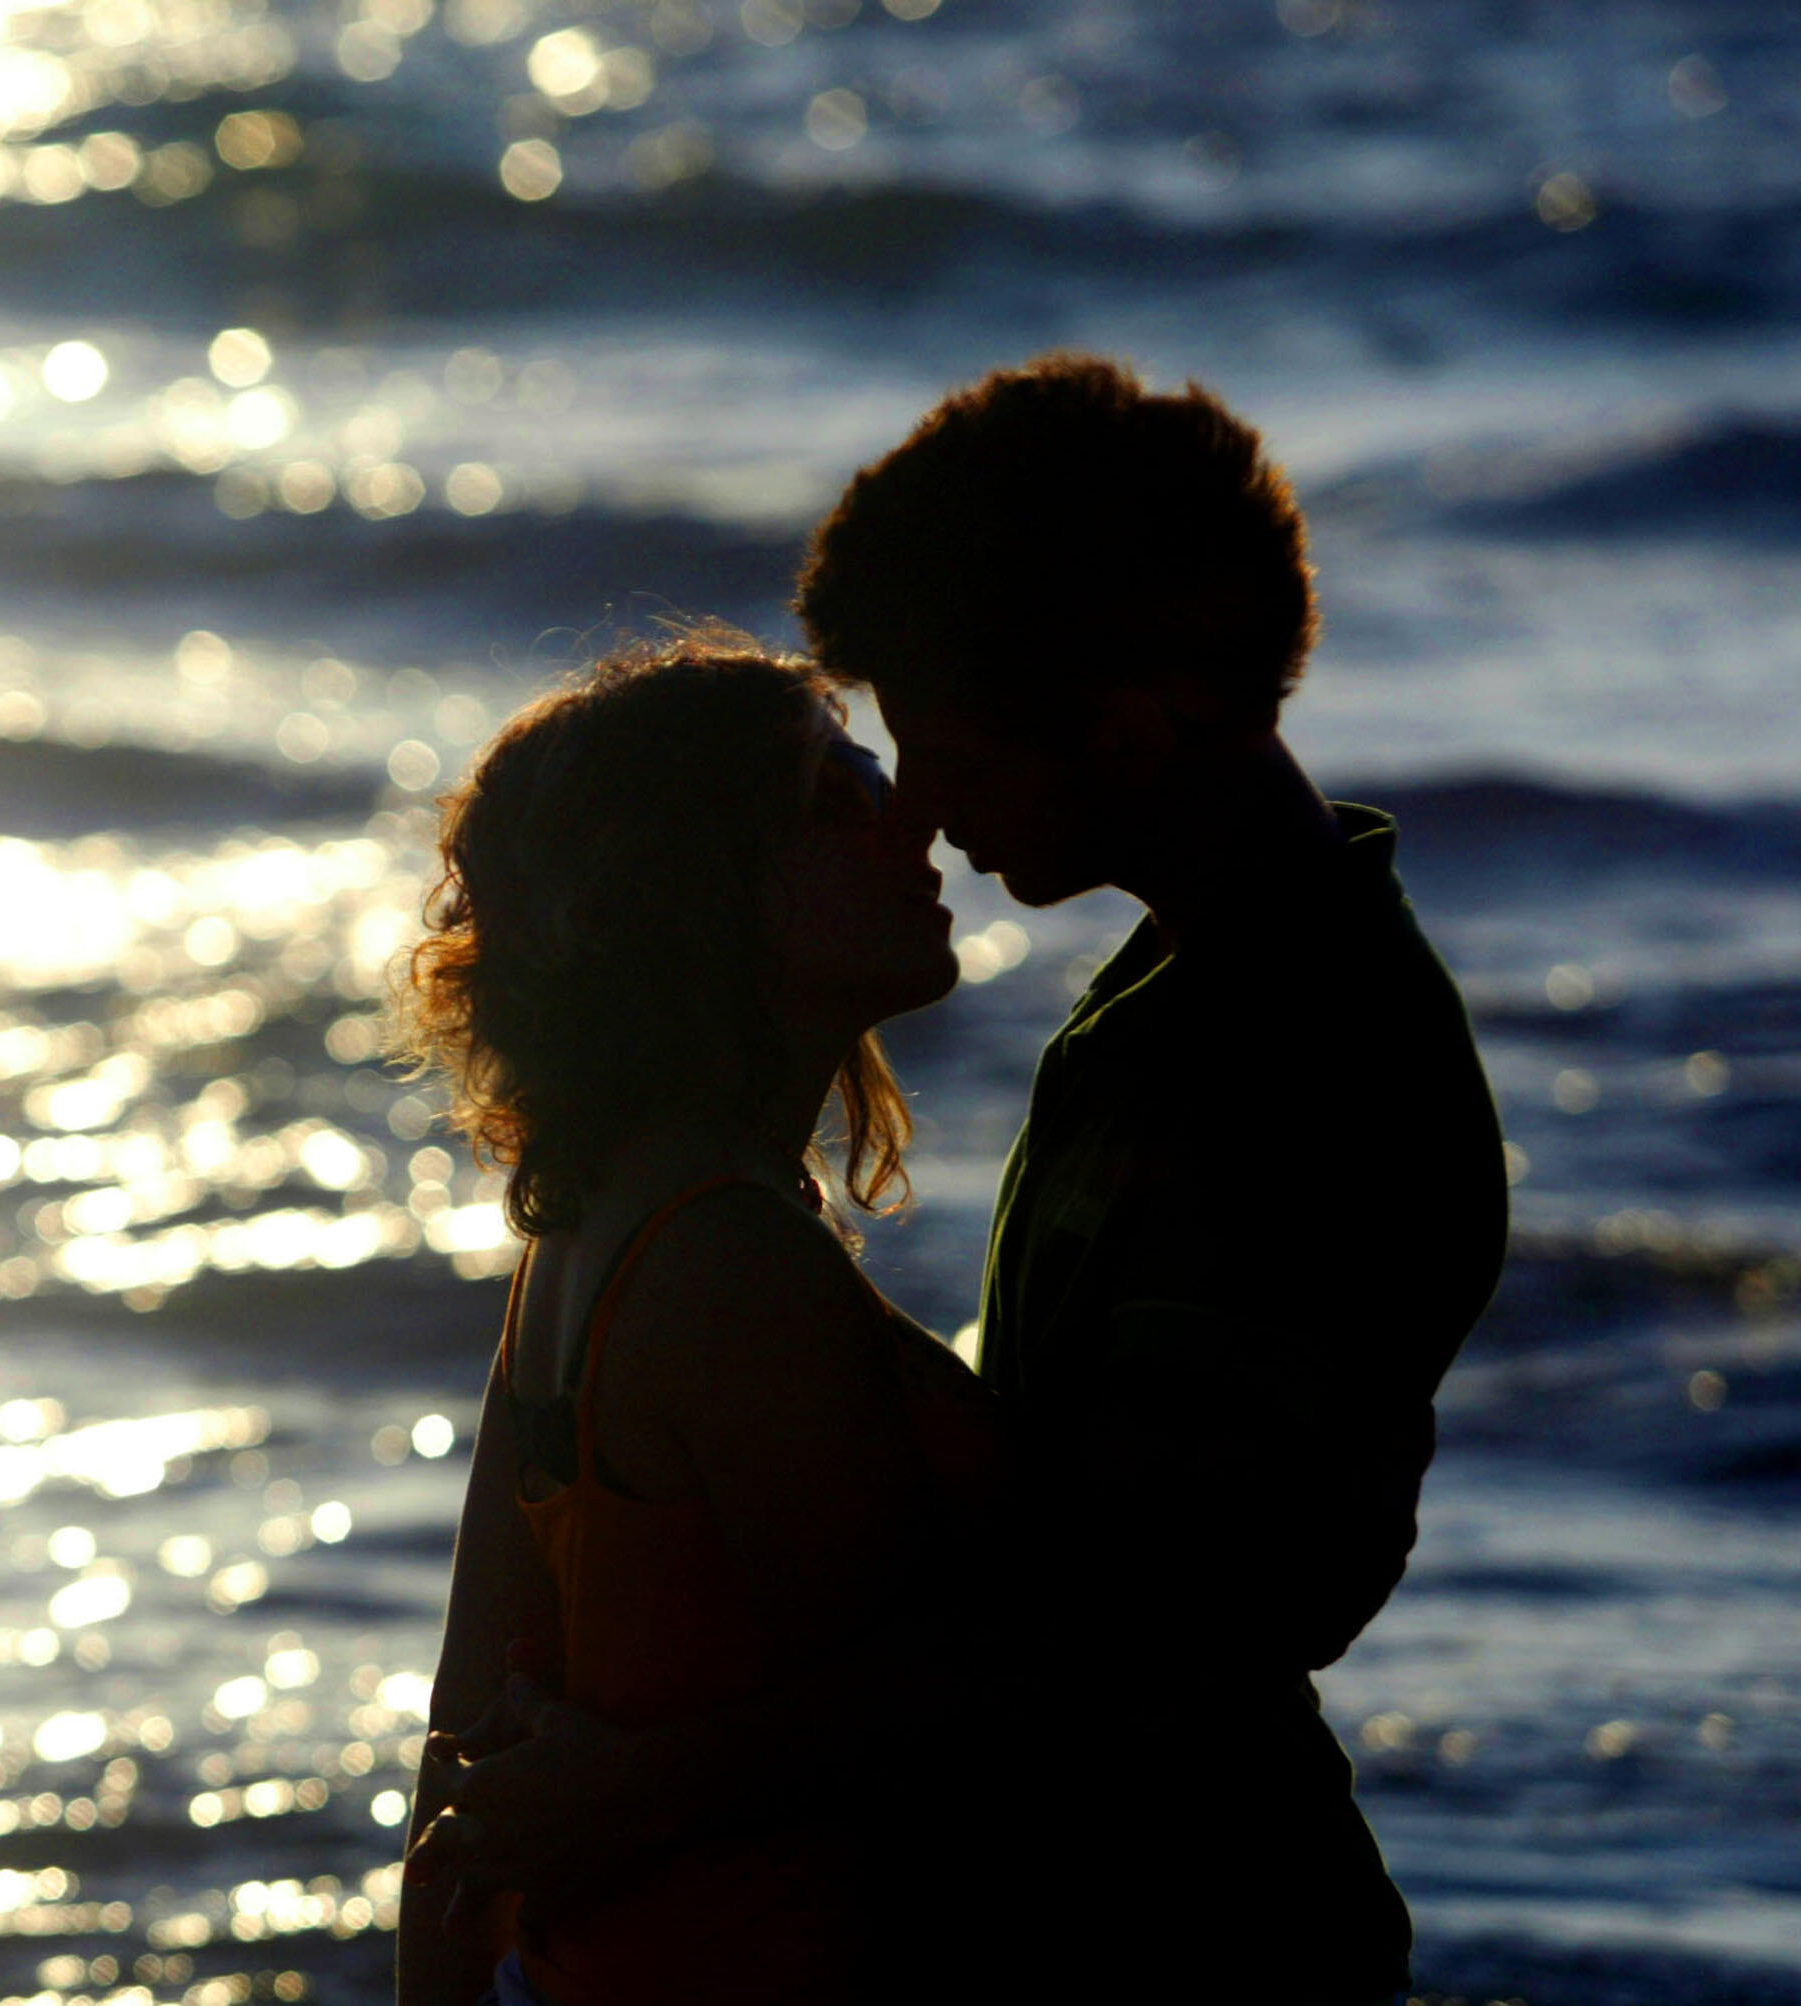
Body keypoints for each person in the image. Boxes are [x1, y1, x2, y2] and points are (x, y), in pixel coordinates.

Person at [406, 355, 1508, 2000]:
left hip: (1197, 1930)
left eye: (932, 749)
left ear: (1128, 733)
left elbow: (1131, 1633)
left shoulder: (1313, 1063)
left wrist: (626, 1793)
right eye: (853, 779)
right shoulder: (1158, 1003)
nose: (914, 811)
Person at [389, 627, 1008, 2006]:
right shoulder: (728, 1259)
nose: (910, 816)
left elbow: (462, 1729)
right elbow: (931, 1712)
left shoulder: (596, 1222)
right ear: (695, 895)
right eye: (835, 798)